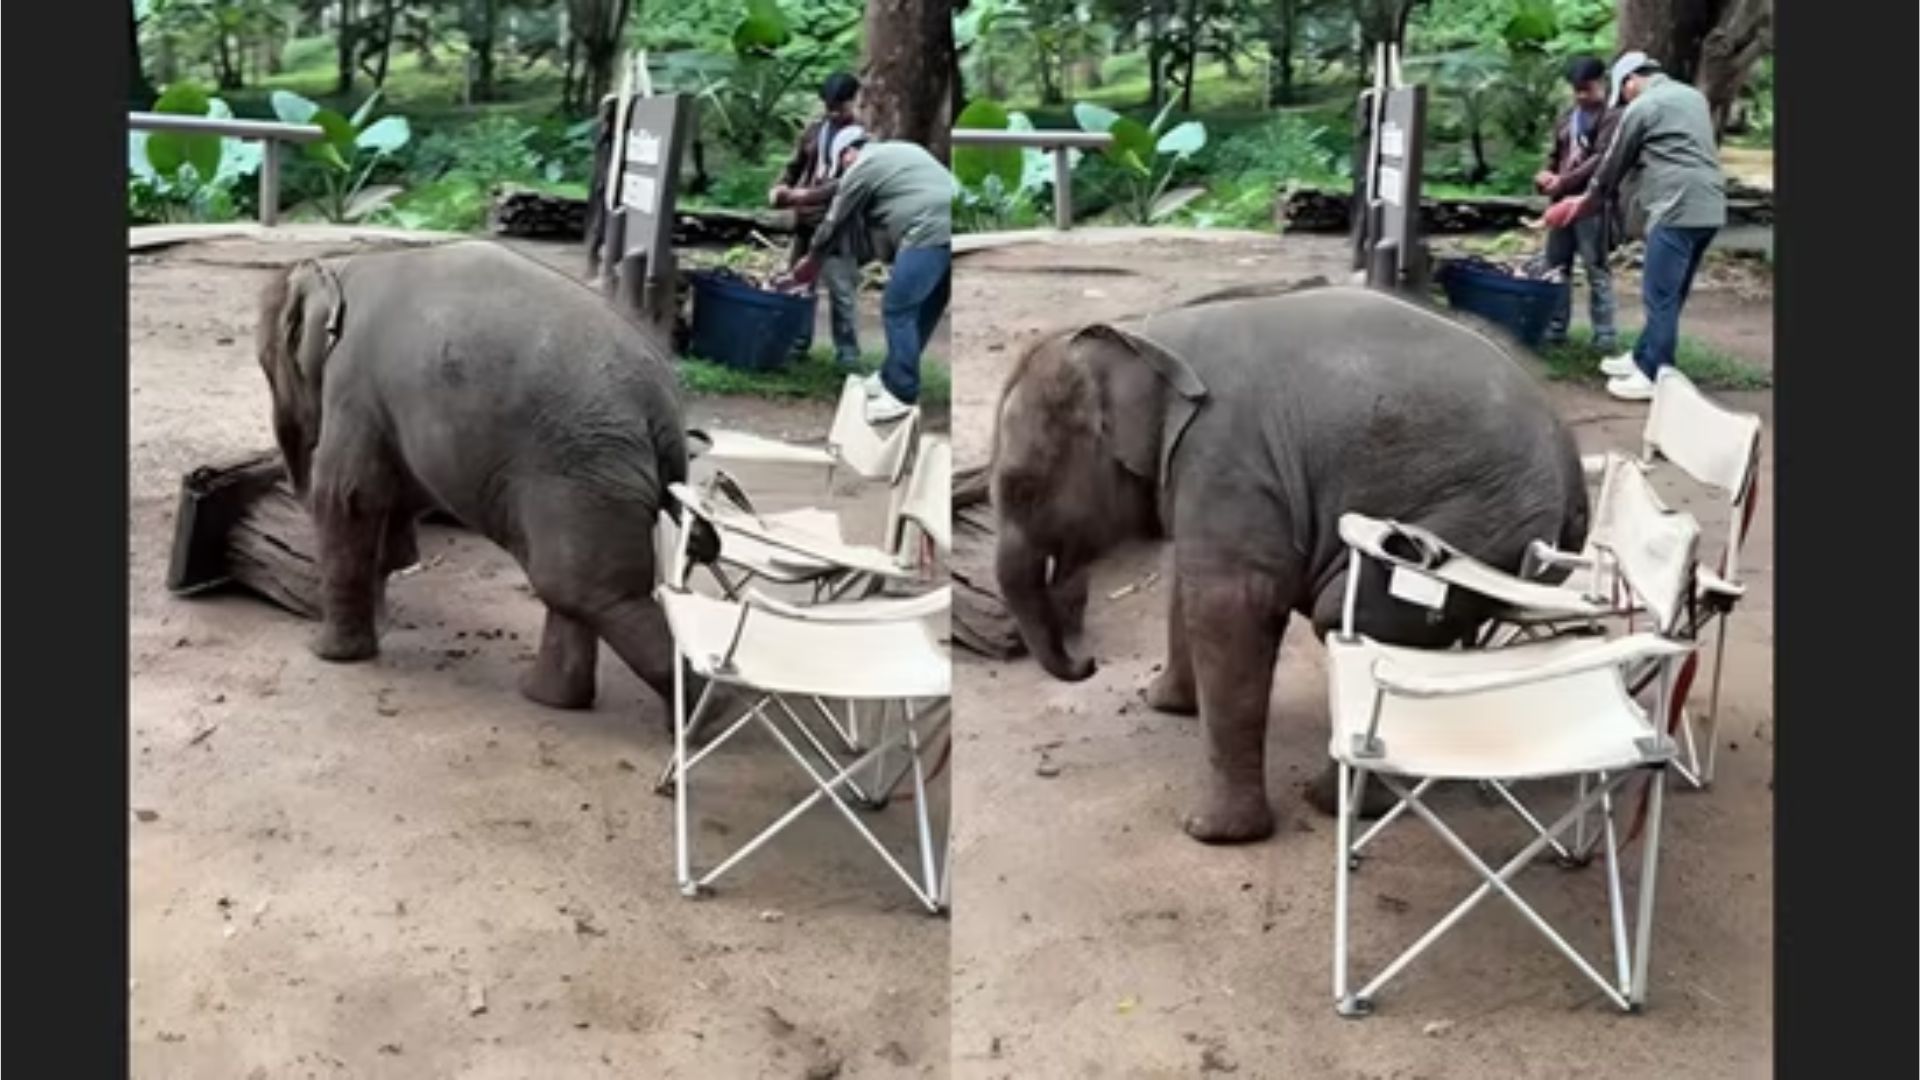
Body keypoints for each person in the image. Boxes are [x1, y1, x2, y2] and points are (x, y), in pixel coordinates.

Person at [1542, 51, 1726, 402]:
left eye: (1622, 92)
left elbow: (1612, 165)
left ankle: (1654, 373)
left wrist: (1581, 203)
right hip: (1710, 206)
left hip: (1675, 208)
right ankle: (1644, 354)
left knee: (1658, 297)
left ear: (1631, 80)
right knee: (1673, 293)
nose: (1623, 99)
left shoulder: (1641, 108)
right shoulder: (1692, 97)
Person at [777, 134, 952, 425]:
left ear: (848, 153)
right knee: (924, 308)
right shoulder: (906, 149)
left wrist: (813, 258)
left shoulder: (862, 166)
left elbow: (835, 220)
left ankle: (901, 394)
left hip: (929, 231)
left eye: (842, 164)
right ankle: (889, 376)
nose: (844, 171)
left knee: (897, 307)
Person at [770, 73, 865, 370]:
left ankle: (847, 353)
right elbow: (794, 166)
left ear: (854, 101)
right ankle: (798, 343)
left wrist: (801, 196)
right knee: (798, 283)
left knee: (841, 289)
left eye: (839, 105)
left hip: (839, 222)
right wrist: (780, 187)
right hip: (805, 223)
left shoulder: (860, 138)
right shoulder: (814, 131)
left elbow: (844, 183)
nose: (833, 112)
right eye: (829, 105)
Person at [1537, 55, 1620, 352]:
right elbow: (1554, 155)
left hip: (1592, 203)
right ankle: (1555, 327)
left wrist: (1566, 181)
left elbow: (1601, 158)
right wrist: (1547, 176)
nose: (1582, 95)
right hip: (1561, 203)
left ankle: (1605, 335)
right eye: (1577, 90)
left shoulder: (1612, 117)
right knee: (1556, 266)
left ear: (1601, 83)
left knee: (1596, 268)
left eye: (1587, 88)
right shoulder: (1566, 117)